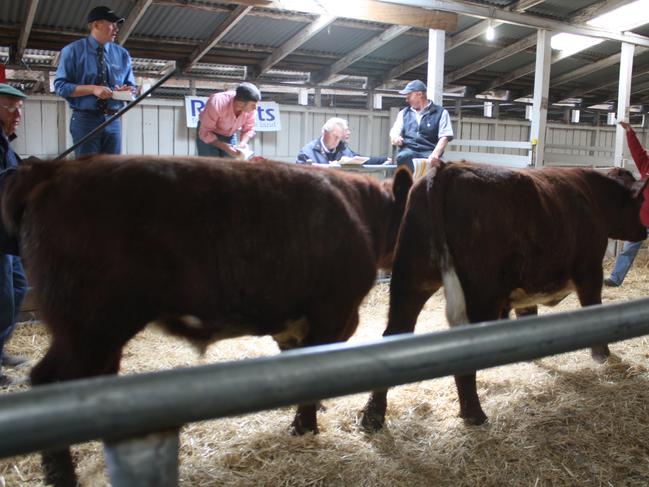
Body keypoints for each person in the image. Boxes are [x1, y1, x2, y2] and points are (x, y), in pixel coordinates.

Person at [54, 5, 136, 157]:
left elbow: (133, 88)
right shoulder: (72, 51)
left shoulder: (123, 55)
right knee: (88, 172)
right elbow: (60, 86)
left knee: (113, 171)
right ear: (96, 24)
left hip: (113, 119)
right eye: (112, 24)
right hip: (85, 120)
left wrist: (128, 91)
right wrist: (93, 89)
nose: (116, 28)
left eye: (116, 24)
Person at [0, 84, 29, 386]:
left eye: (19, 108)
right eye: (10, 107)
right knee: (2, 299)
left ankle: (0, 350)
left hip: (6, 234)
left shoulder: (6, 143)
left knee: (18, 289)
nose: (17, 113)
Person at [604, 120, 649, 287]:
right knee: (628, 249)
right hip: (642, 218)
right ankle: (615, 279)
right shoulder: (646, 164)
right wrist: (630, 132)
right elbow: (637, 151)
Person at [389, 79, 454, 171]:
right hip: (409, 150)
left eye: (409, 95)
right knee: (403, 157)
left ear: (419, 94)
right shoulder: (403, 113)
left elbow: (445, 137)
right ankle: (408, 184)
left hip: (430, 151)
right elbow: (395, 130)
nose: (406, 99)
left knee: (443, 169)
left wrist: (435, 154)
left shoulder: (441, 113)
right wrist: (395, 137)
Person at [196, 82, 261, 158]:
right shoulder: (217, 102)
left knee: (231, 165)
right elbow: (205, 132)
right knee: (211, 166)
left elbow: (248, 129)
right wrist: (226, 147)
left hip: (229, 134)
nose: (255, 108)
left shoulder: (251, 109)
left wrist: (242, 144)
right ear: (240, 104)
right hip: (208, 132)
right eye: (253, 105)